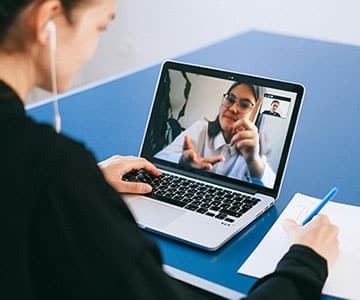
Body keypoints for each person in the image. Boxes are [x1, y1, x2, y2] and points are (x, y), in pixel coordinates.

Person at [0, 0, 339, 299]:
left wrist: (88, 182)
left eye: (244, 104)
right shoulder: (57, 171)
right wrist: (306, 260)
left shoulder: (257, 149)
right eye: (101, 26)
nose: (94, 48)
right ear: (48, 18)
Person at [156, 82, 276, 187]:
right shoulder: (201, 129)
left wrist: (253, 161)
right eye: (230, 100)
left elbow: (272, 190)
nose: (233, 108)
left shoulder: (253, 153)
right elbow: (158, 158)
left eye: (244, 105)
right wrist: (181, 161)